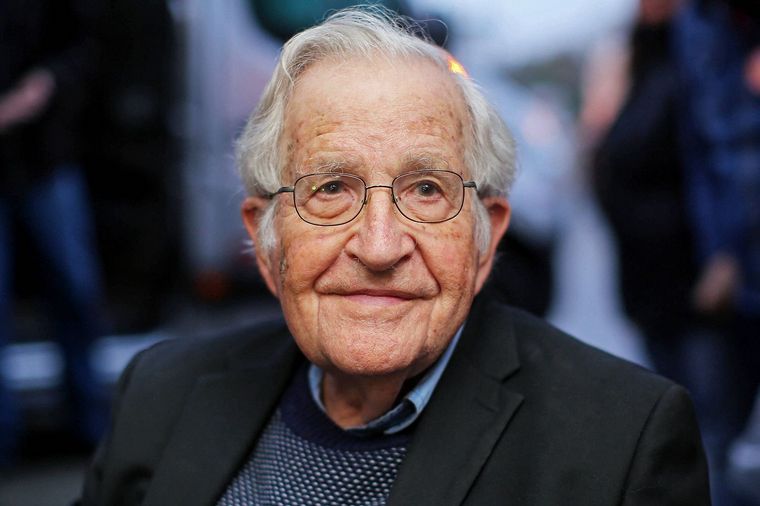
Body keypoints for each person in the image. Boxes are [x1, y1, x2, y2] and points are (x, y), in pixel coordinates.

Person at [79, 8, 709, 505]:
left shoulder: (623, 442)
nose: (380, 246)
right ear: (267, 241)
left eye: (427, 190)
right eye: (330, 188)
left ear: (486, 237)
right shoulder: (159, 393)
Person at [0, 0, 108, 464]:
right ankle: (5, 439)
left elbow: (83, 45)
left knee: (76, 289)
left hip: (43, 156)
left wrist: (42, 86)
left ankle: (92, 427)